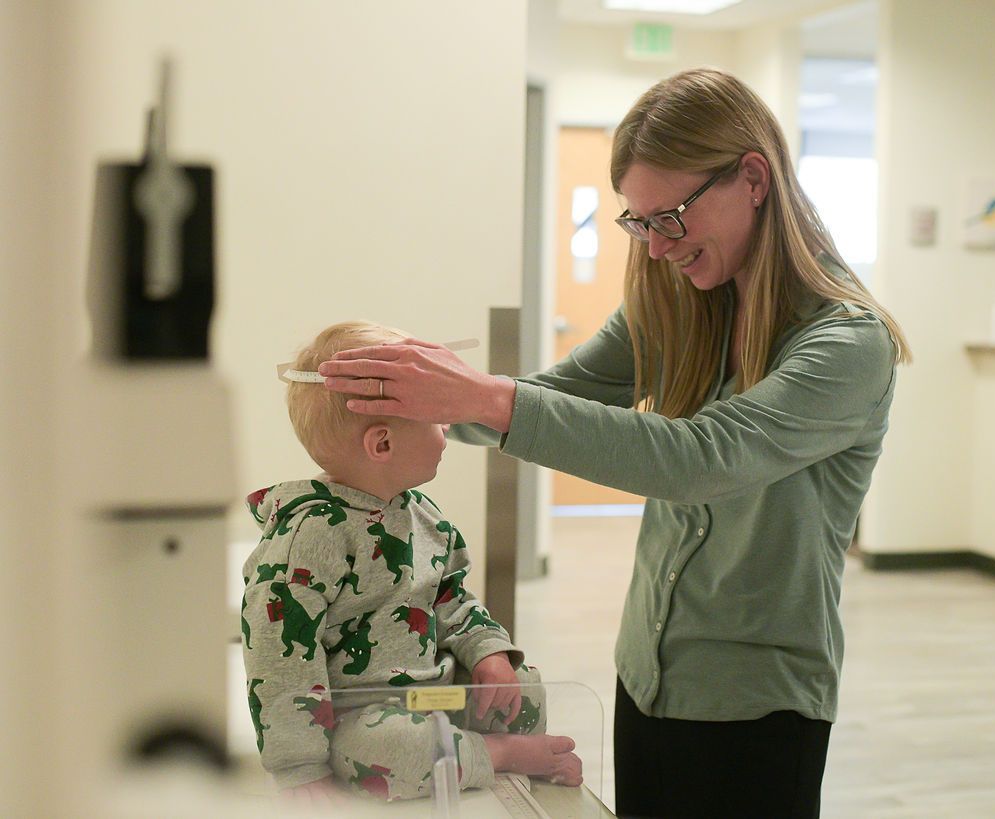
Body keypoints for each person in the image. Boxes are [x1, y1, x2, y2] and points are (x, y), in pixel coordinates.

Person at [316, 67, 911, 818]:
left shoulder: (849, 345)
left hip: (757, 708)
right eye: (641, 222)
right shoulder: (682, 305)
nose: (659, 248)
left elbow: (700, 458)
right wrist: (403, 399)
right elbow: (561, 394)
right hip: (648, 676)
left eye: (672, 217)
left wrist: (478, 395)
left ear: (753, 178)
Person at [240, 320, 583, 805]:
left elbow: (450, 594)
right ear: (382, 444)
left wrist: (487, 651)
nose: (448, 426)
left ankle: (488, 758)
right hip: (359, 716)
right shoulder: (310, 535)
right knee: (388, 749)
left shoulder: (418, 512)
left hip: (431, 694)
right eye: (437, 416)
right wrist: (298, 768)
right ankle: (498, 756)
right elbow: (279, 658)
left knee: (521, 686)